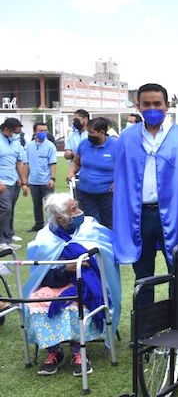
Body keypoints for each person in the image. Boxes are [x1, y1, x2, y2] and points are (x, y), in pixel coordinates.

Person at [23, 193, 121, 377]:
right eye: (73, 210)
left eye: (77, 207)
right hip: (57, 282)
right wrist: (66, 269)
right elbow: (42, 276)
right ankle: (54, 352)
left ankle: (79, 351)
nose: (79, 212)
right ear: (61, 218)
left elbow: (107, 253)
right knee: (36, 300)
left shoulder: (90, 226)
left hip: (89, 283)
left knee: (76, 300)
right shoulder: (45, 238)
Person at [113, 83, 178, 283]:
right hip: (140, 215)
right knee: (143, 275)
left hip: (174, 213)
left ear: (167, 105)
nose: (152, 109)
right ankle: (145, 314)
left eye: (157, 103)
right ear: (138, 106)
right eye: (147, 104)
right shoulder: (127, 138)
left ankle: (177, 314)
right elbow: (121, 181)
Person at [68, 118, 117, 229]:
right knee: (90, 223)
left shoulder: (116, 146)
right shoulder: (84, 144)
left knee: (108, 224)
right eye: (88, 132)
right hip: (86, 192)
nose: (89, 135)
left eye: (91, 133)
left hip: (108, 194)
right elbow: (76, 162)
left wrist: (117, 182)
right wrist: (71, 172)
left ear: (102, 132)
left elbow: (124, 168)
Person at [0, 118, 28, 250]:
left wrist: (23, 182)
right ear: (6, 129)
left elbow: (19, 163)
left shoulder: (16, 142)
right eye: (15, 132)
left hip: (13, 181)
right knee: (5, 209)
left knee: (10, 210)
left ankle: (8, 237)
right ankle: (2, 240)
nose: (17, 135)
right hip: (2, 182)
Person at [25, 122, 57, 232]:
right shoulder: (29, 146)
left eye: (45, 131)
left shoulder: (50, 146)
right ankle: (38, 225)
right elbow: (27, 163)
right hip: (34, 181)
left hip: (46, 181)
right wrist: (25, 180)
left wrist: (52, 178)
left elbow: (53, 163)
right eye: (40, 131)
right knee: (36, 204)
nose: (43, 133)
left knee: (50, 205)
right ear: (34, 132)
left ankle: (51, 225)